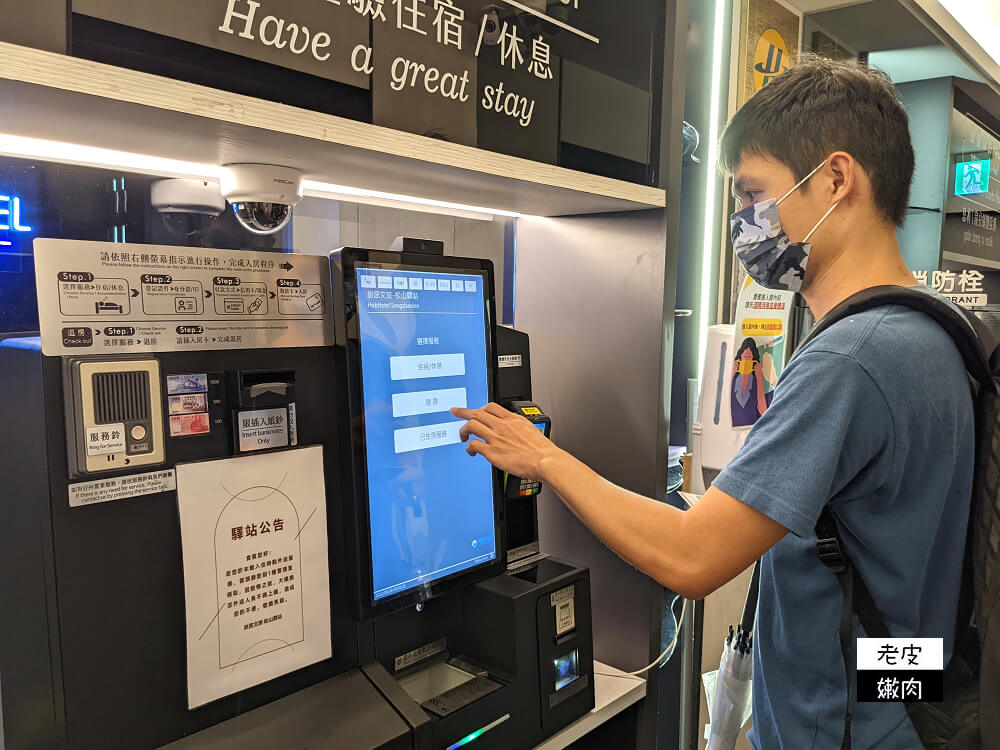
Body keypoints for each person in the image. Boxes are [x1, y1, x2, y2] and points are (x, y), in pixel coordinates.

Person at [452, 55, 974, 750]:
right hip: (912, 705)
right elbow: (898, 575)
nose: (741, 222)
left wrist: (543, 458)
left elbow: (692, 561)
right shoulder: (936, 331)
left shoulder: (852, 359)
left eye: (753, 193)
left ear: (837, 179)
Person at [732, 337, 770, 427]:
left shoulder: (756, 381)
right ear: (740, 357)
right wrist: (732, 374)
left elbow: (763, 411)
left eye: (749, 357)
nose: (746, 360)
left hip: (751, 429)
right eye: (744, 357)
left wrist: (759, 378)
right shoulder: (734, 379)